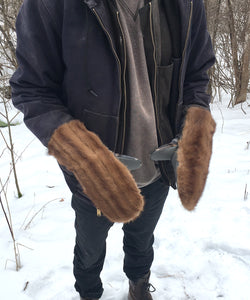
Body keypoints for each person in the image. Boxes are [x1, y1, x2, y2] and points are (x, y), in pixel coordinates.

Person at [10, 0, 216, 299]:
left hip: (159, 167)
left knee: (142, 242)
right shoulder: (50, 5)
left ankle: (139, 285)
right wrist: (85, 157)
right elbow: (32, 89)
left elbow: (197, 74)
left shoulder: (185, 4)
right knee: (89, 249)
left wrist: (195, 128)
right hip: (94, 180)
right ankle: (89, 292)